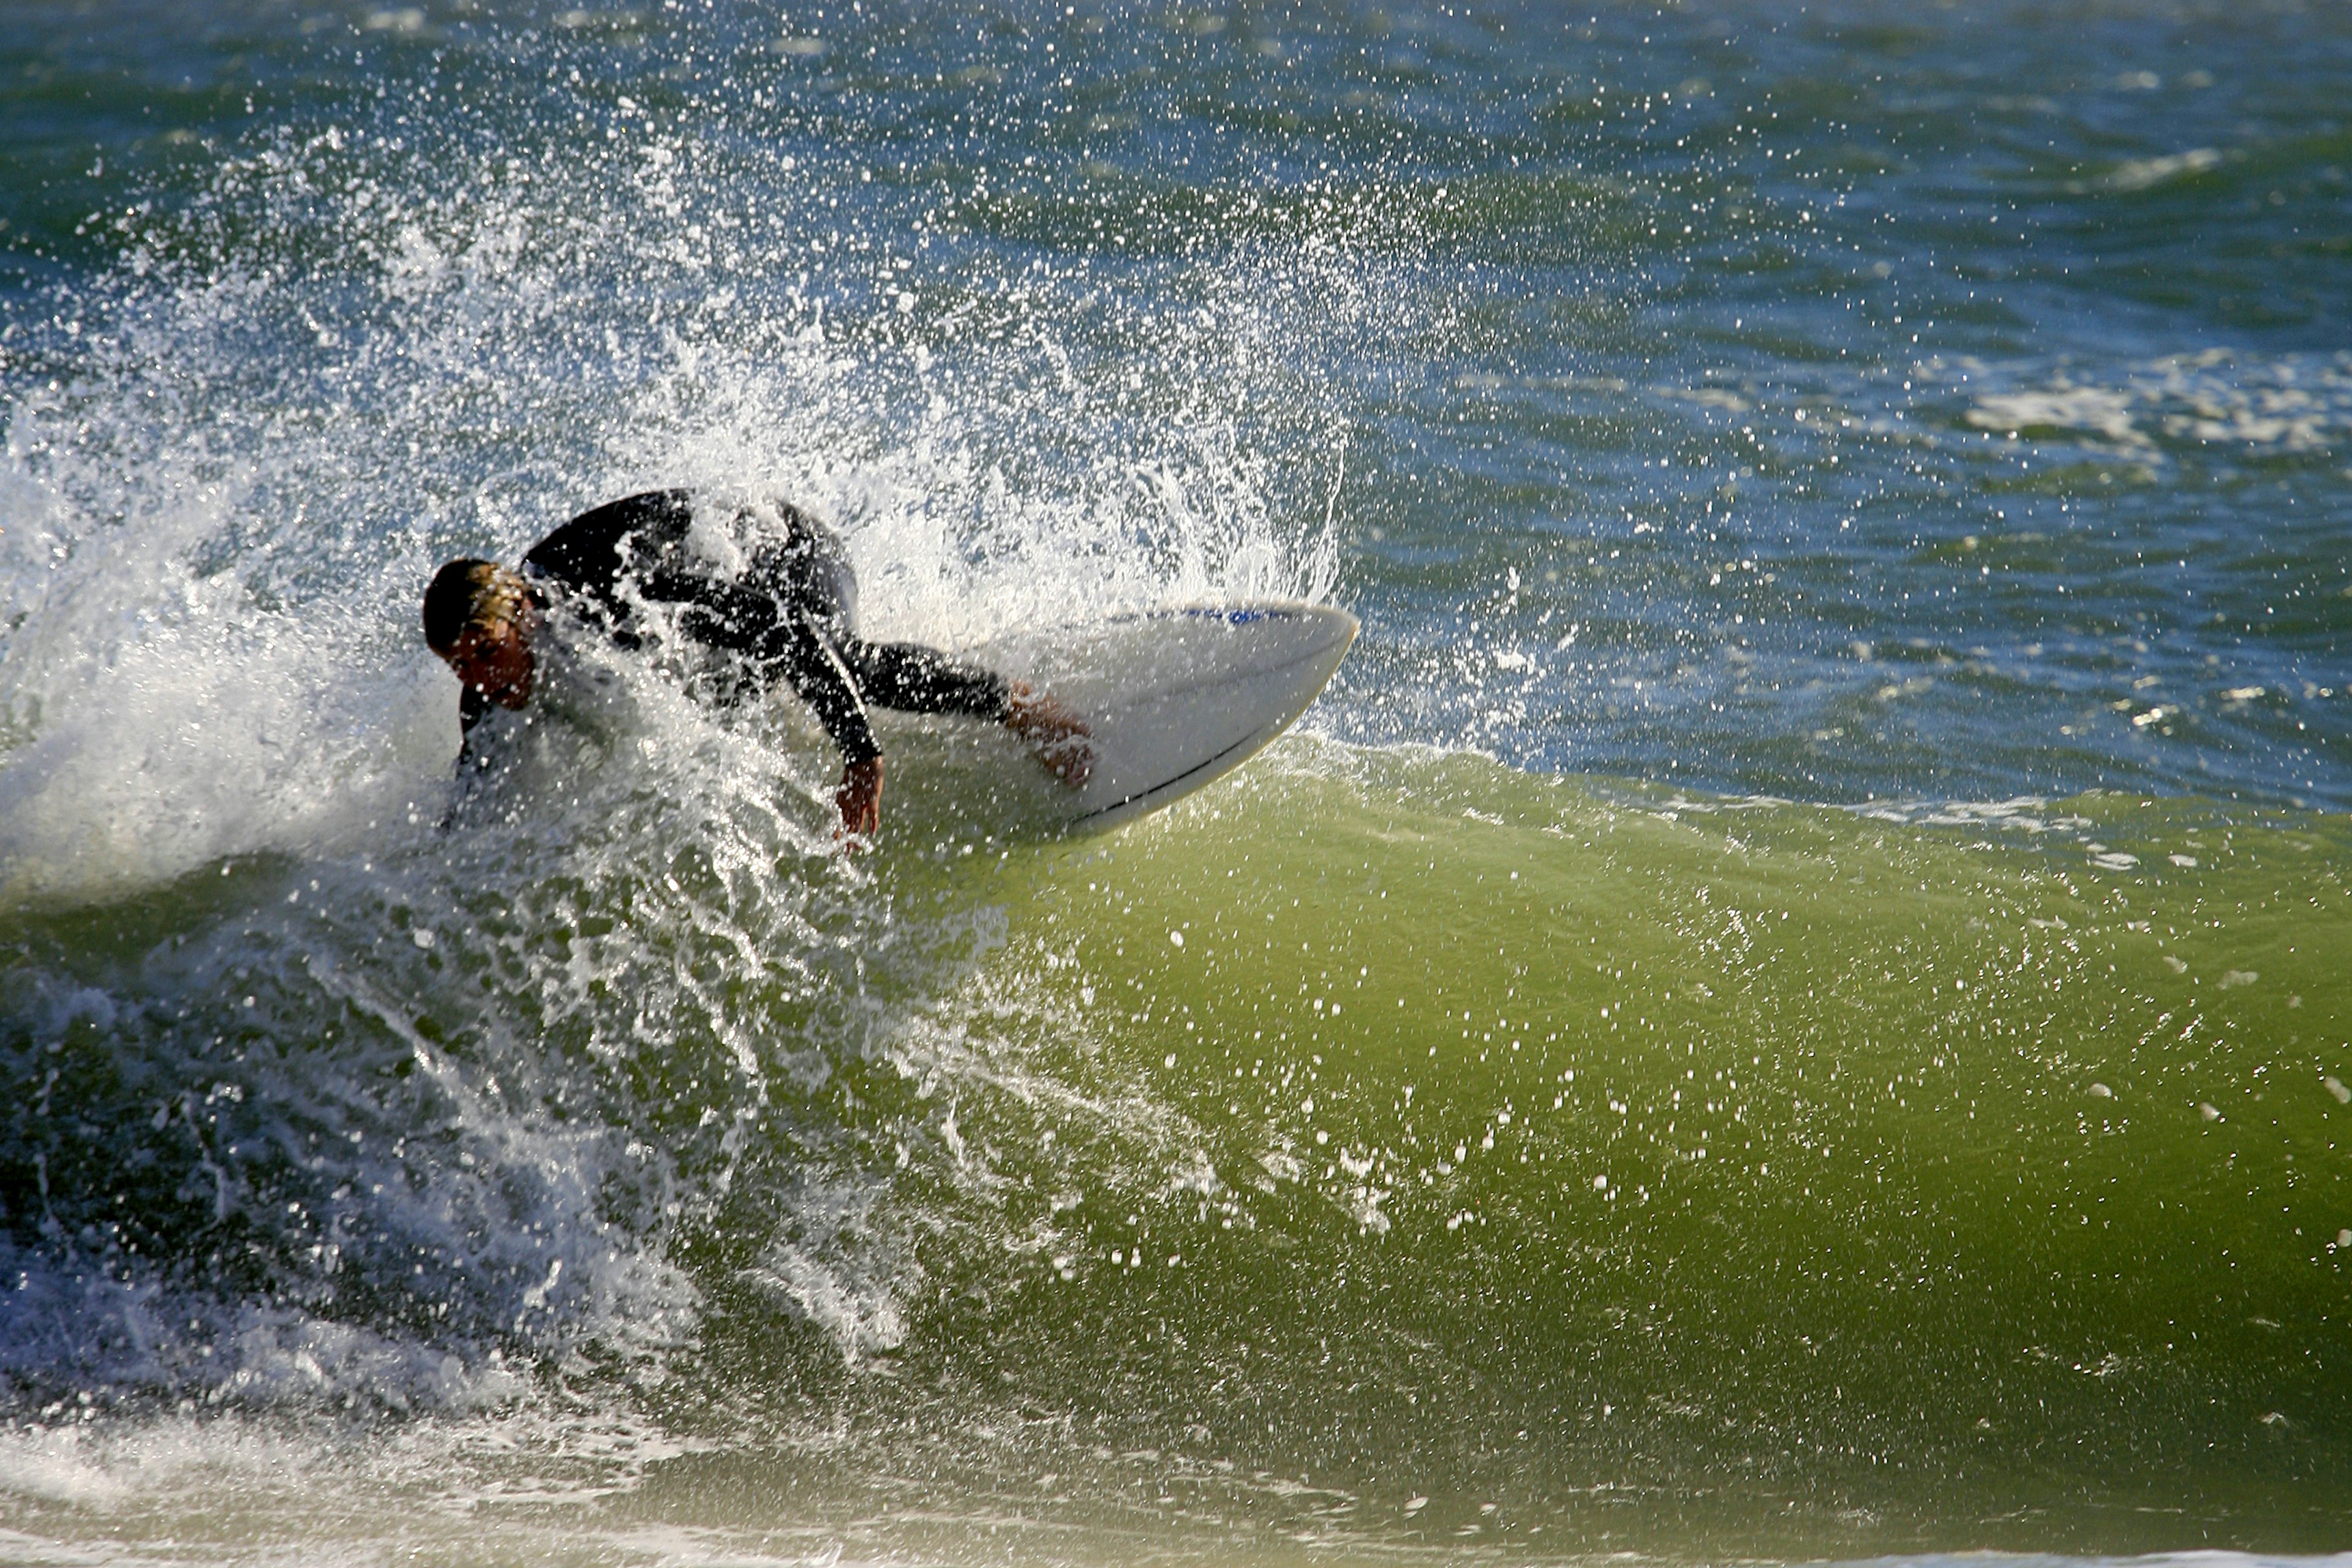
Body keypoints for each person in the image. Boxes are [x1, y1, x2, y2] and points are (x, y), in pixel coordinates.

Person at [422, 489, 1087, 839]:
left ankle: (1016, 704)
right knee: (725, 699)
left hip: (783, 548)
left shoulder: (616, 596)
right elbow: (473, 802)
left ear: (523, 612)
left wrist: (861, 756)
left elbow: (784, 630)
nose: (481, 678)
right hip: (720, 576)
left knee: (837, 661)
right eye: (460, 667)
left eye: (486, 652)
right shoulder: (487, 682)